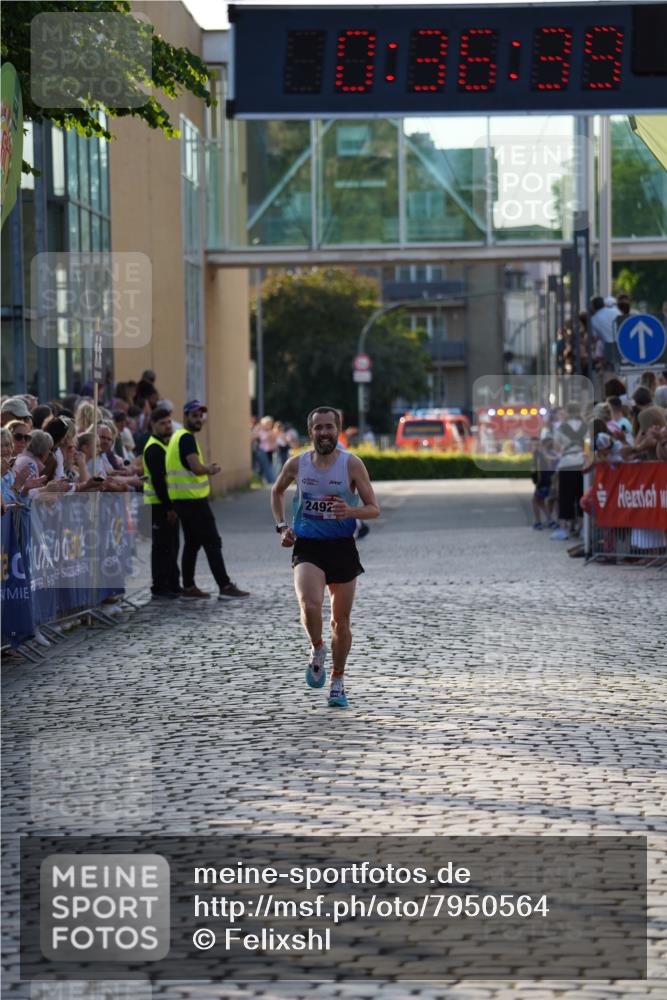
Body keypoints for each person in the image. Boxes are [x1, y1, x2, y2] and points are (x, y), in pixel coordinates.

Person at [270, 406, 380, 708]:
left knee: (340, 622)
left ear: (338, 430)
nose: (324, 433)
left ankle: (337, 680)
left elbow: (374, 508)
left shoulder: (351, 464)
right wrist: (282, 526)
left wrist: (351, 511)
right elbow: (276, 491)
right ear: (310, 432)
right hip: (308, 547)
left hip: (342, 547)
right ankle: (317, 648)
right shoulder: (297, 464)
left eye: (329, 427)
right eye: (318, 427)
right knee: (309, 604)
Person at [165, 399, 249, 600]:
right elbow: (196, 468)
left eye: (200, 415)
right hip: (193, 502)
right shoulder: (186, 438)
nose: (199, 419)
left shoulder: (177, 437)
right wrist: (209, 469)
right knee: (213, 542)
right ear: (185, 416)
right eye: (194, 415)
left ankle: (188, 587)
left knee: (192, 543)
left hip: (182, 501)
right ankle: (225, 586)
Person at [143, 406, 181, 599]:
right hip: (158, 505)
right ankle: (160, 586)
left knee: (172, 545)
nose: (167, 426)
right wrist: (169, 508)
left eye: (169, 422)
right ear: (153, 425)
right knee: (162, 547)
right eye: (163, 423)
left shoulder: (164, 445)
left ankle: (173, 583)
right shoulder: (154, 448)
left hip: (165, 504)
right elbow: (158, 481)